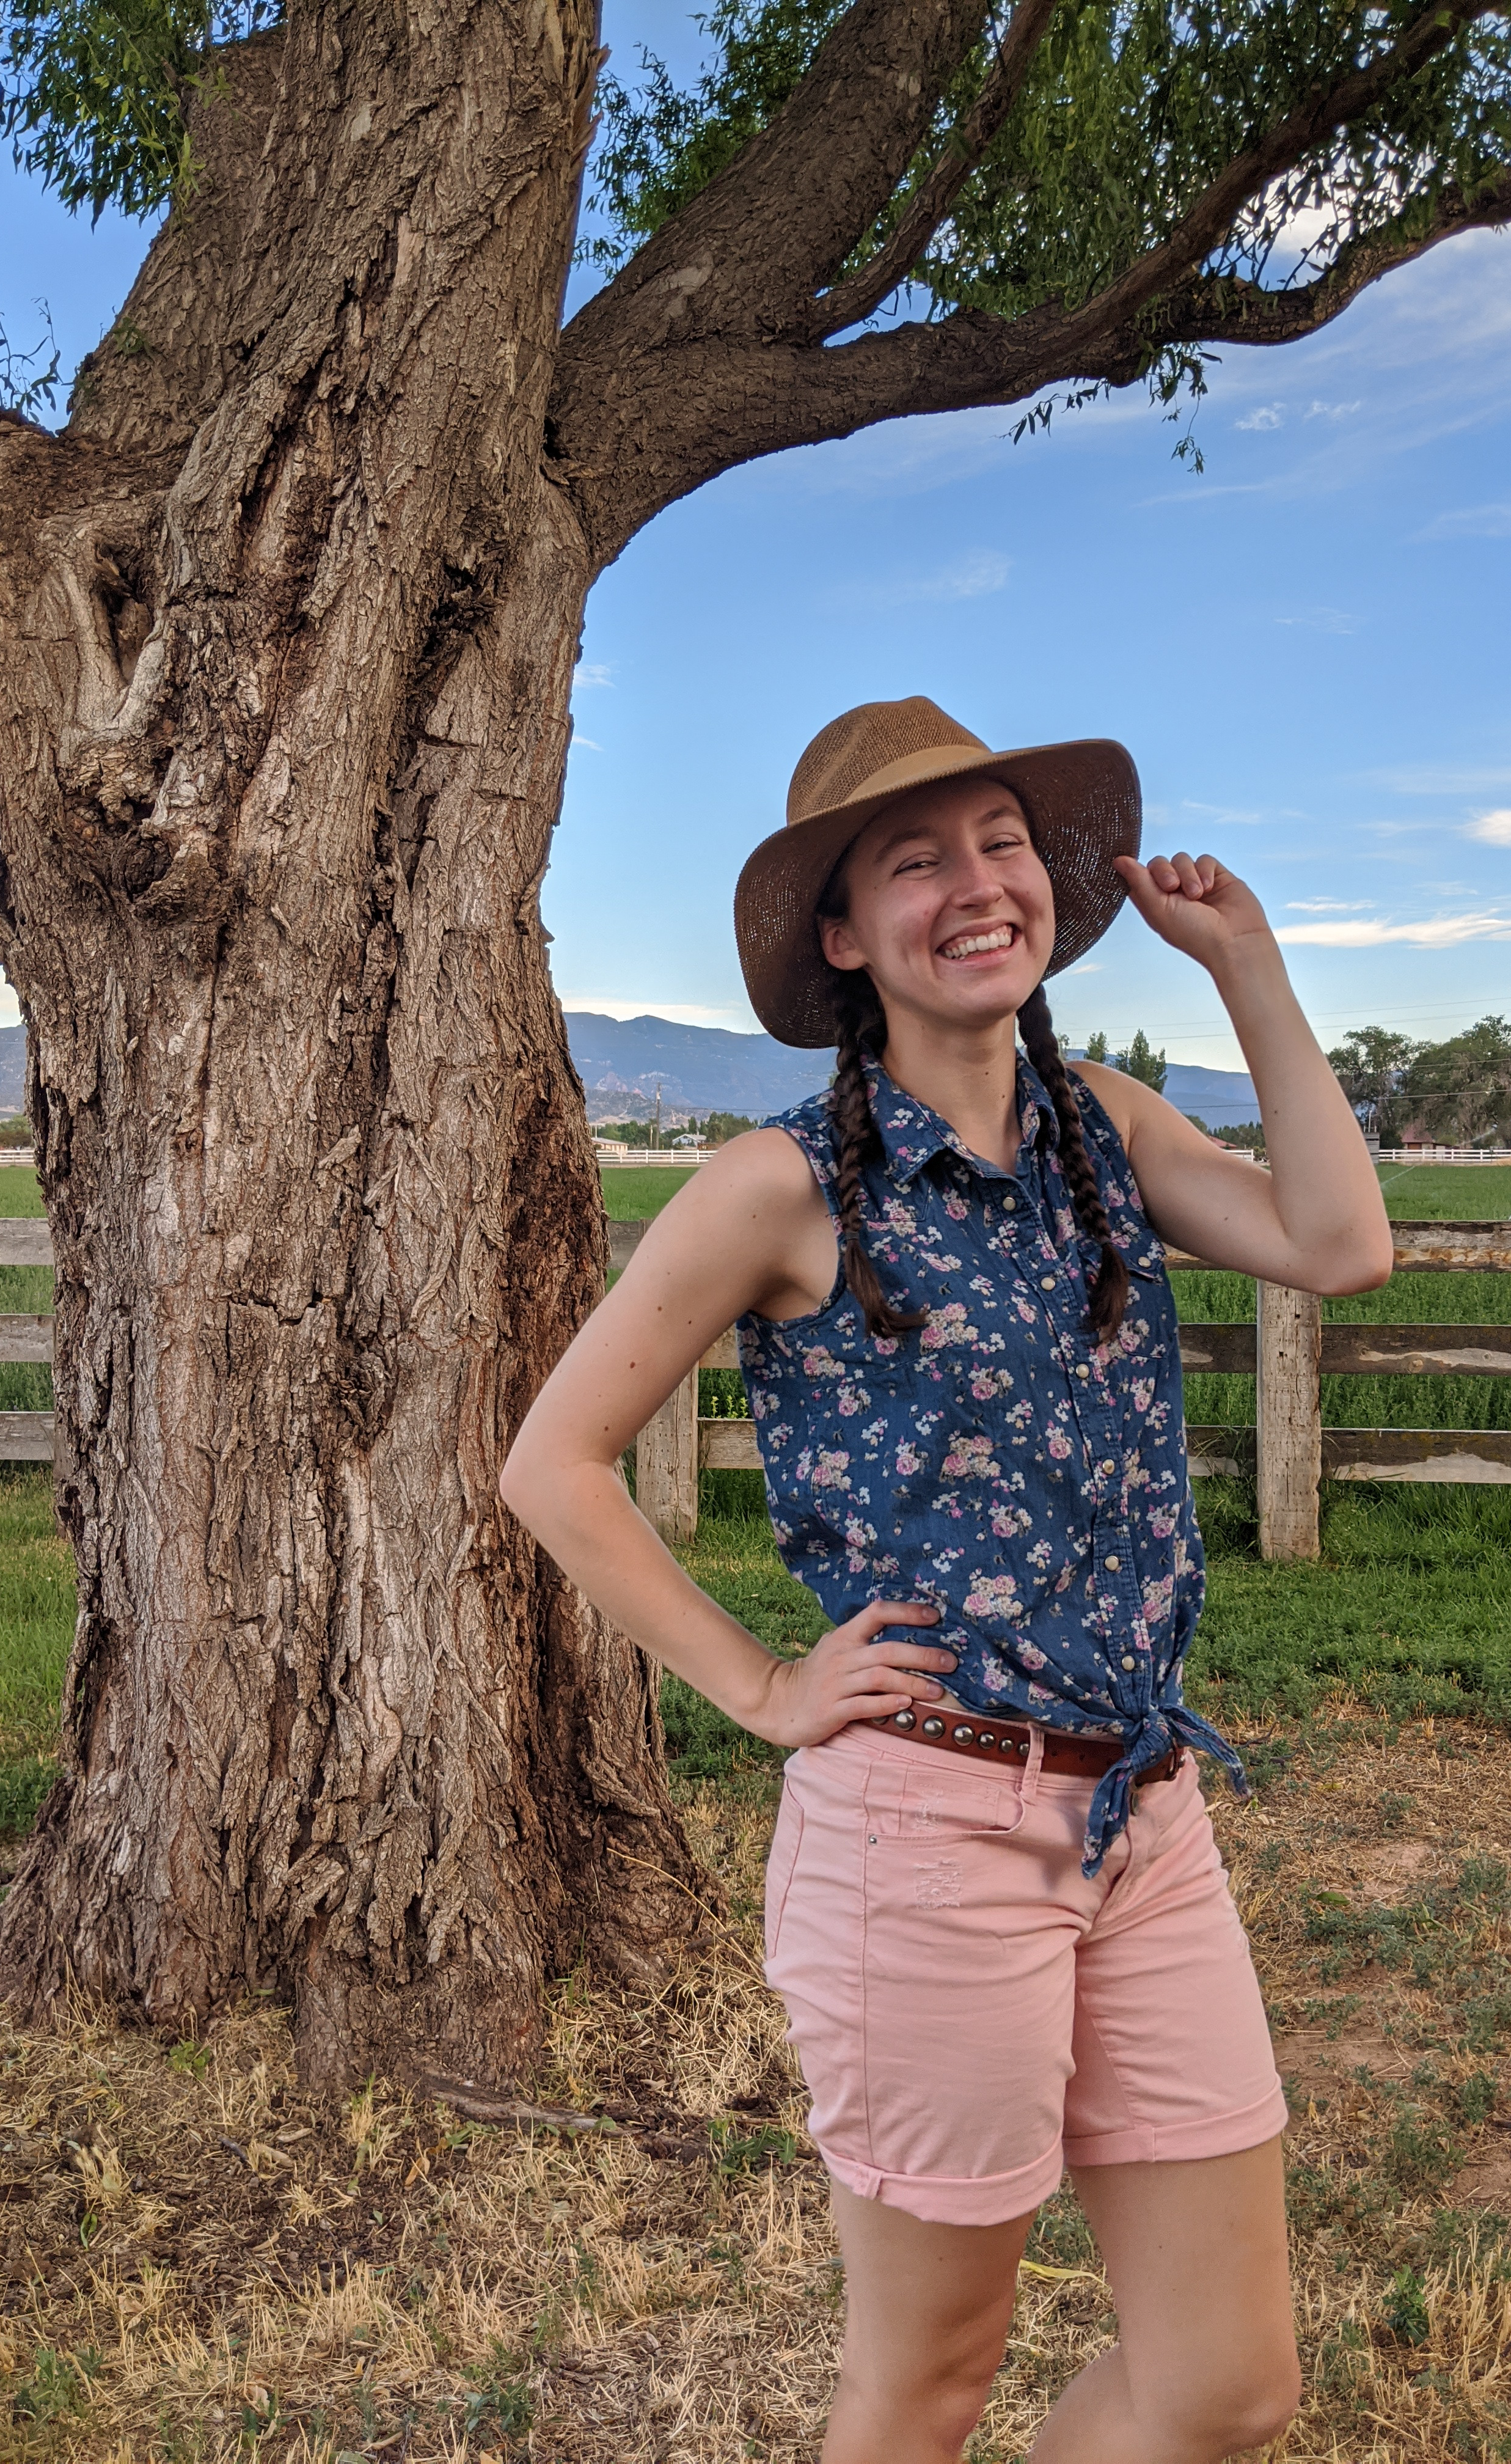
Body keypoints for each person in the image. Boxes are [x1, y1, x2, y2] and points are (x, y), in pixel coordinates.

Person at [502, 697, 1393, 2463]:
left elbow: (1339, 1244)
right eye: (915, 864)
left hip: (1143, 1814)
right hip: (925, 1833)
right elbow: (553, 1466)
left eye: (1000, 845)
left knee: (1228, 2385)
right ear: (845, 938)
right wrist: (763, 1689)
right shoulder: (780, 1187)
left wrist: (1253, 974)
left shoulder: (1106, 1131)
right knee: (929, 2379)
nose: (976, 885)